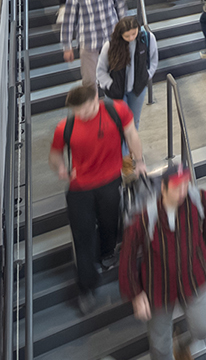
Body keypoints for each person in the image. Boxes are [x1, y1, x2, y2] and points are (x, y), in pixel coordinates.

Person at [119, 163, 206, 360]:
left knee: (203, 329)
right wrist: (135, 293)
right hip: (158, 287)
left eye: (186, 185)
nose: (183, 191)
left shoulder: (199, 200)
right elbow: (128, 255)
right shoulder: (145, 216)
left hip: (193, 276)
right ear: (163, 188)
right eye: (177, 187)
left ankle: (183, 347)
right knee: (159, 344)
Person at [50, 84, 144, 315]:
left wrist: (139, 161)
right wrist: (61, 168)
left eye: (83, 110)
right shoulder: (66, 126)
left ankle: (106, 253)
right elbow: (54, 154)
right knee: (82, 236)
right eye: (75, 111)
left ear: (95, 101)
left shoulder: (116, 111)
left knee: (109, 222)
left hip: (111, 182)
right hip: (80, 188)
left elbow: (131, 133)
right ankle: (86, 286)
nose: (80, 115)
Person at [62, 0, 126, 90]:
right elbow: (69, 19)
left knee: (116, 77)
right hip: (89, 41)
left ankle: (115, 108)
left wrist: (125, 31)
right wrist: (67, 46)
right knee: (90, 82)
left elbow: (120, 7)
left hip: (111, 39)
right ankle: (93, 110)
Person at [97, 16, 158, 129]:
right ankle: (121, 147)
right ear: (120, 34)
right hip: (115, 91)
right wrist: (110, 85)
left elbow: (153, 60)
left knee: (133, 124)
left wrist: (146, 76)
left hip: (137, 89)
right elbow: (101, 70)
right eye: (126, 36)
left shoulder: (147, 39)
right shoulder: (110, 46)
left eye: (133, 34)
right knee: (117, 125)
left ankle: (130, 147)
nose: (131, 38)